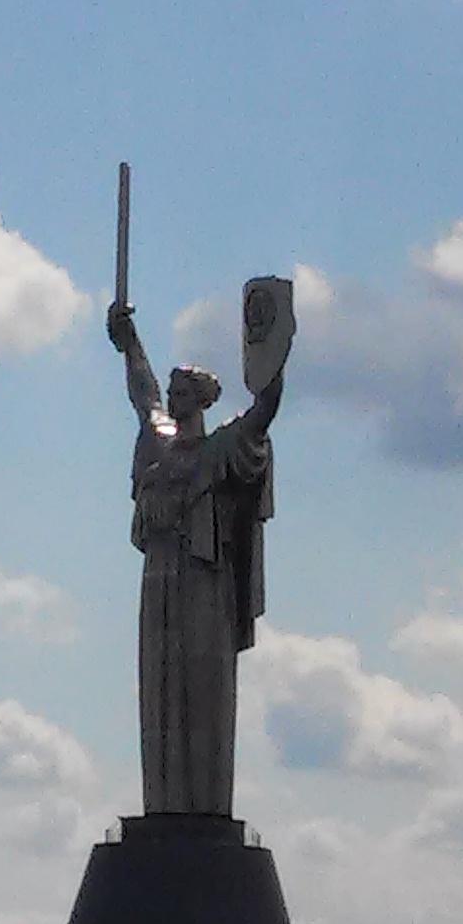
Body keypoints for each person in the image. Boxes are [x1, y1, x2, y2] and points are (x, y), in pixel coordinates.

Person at [108, 299, 284, 817]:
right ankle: (162, 807)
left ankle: (203, 808)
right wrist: (129, 340)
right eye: (174, 389)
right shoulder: (156, 442)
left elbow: (263, 413)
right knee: (159, 693)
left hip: (203, 582)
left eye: (184, 390)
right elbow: (142, 393)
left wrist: (271, 353)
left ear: (203, 399)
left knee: (203, 693)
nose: (174, 395)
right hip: (158, 581)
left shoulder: (220, 450)